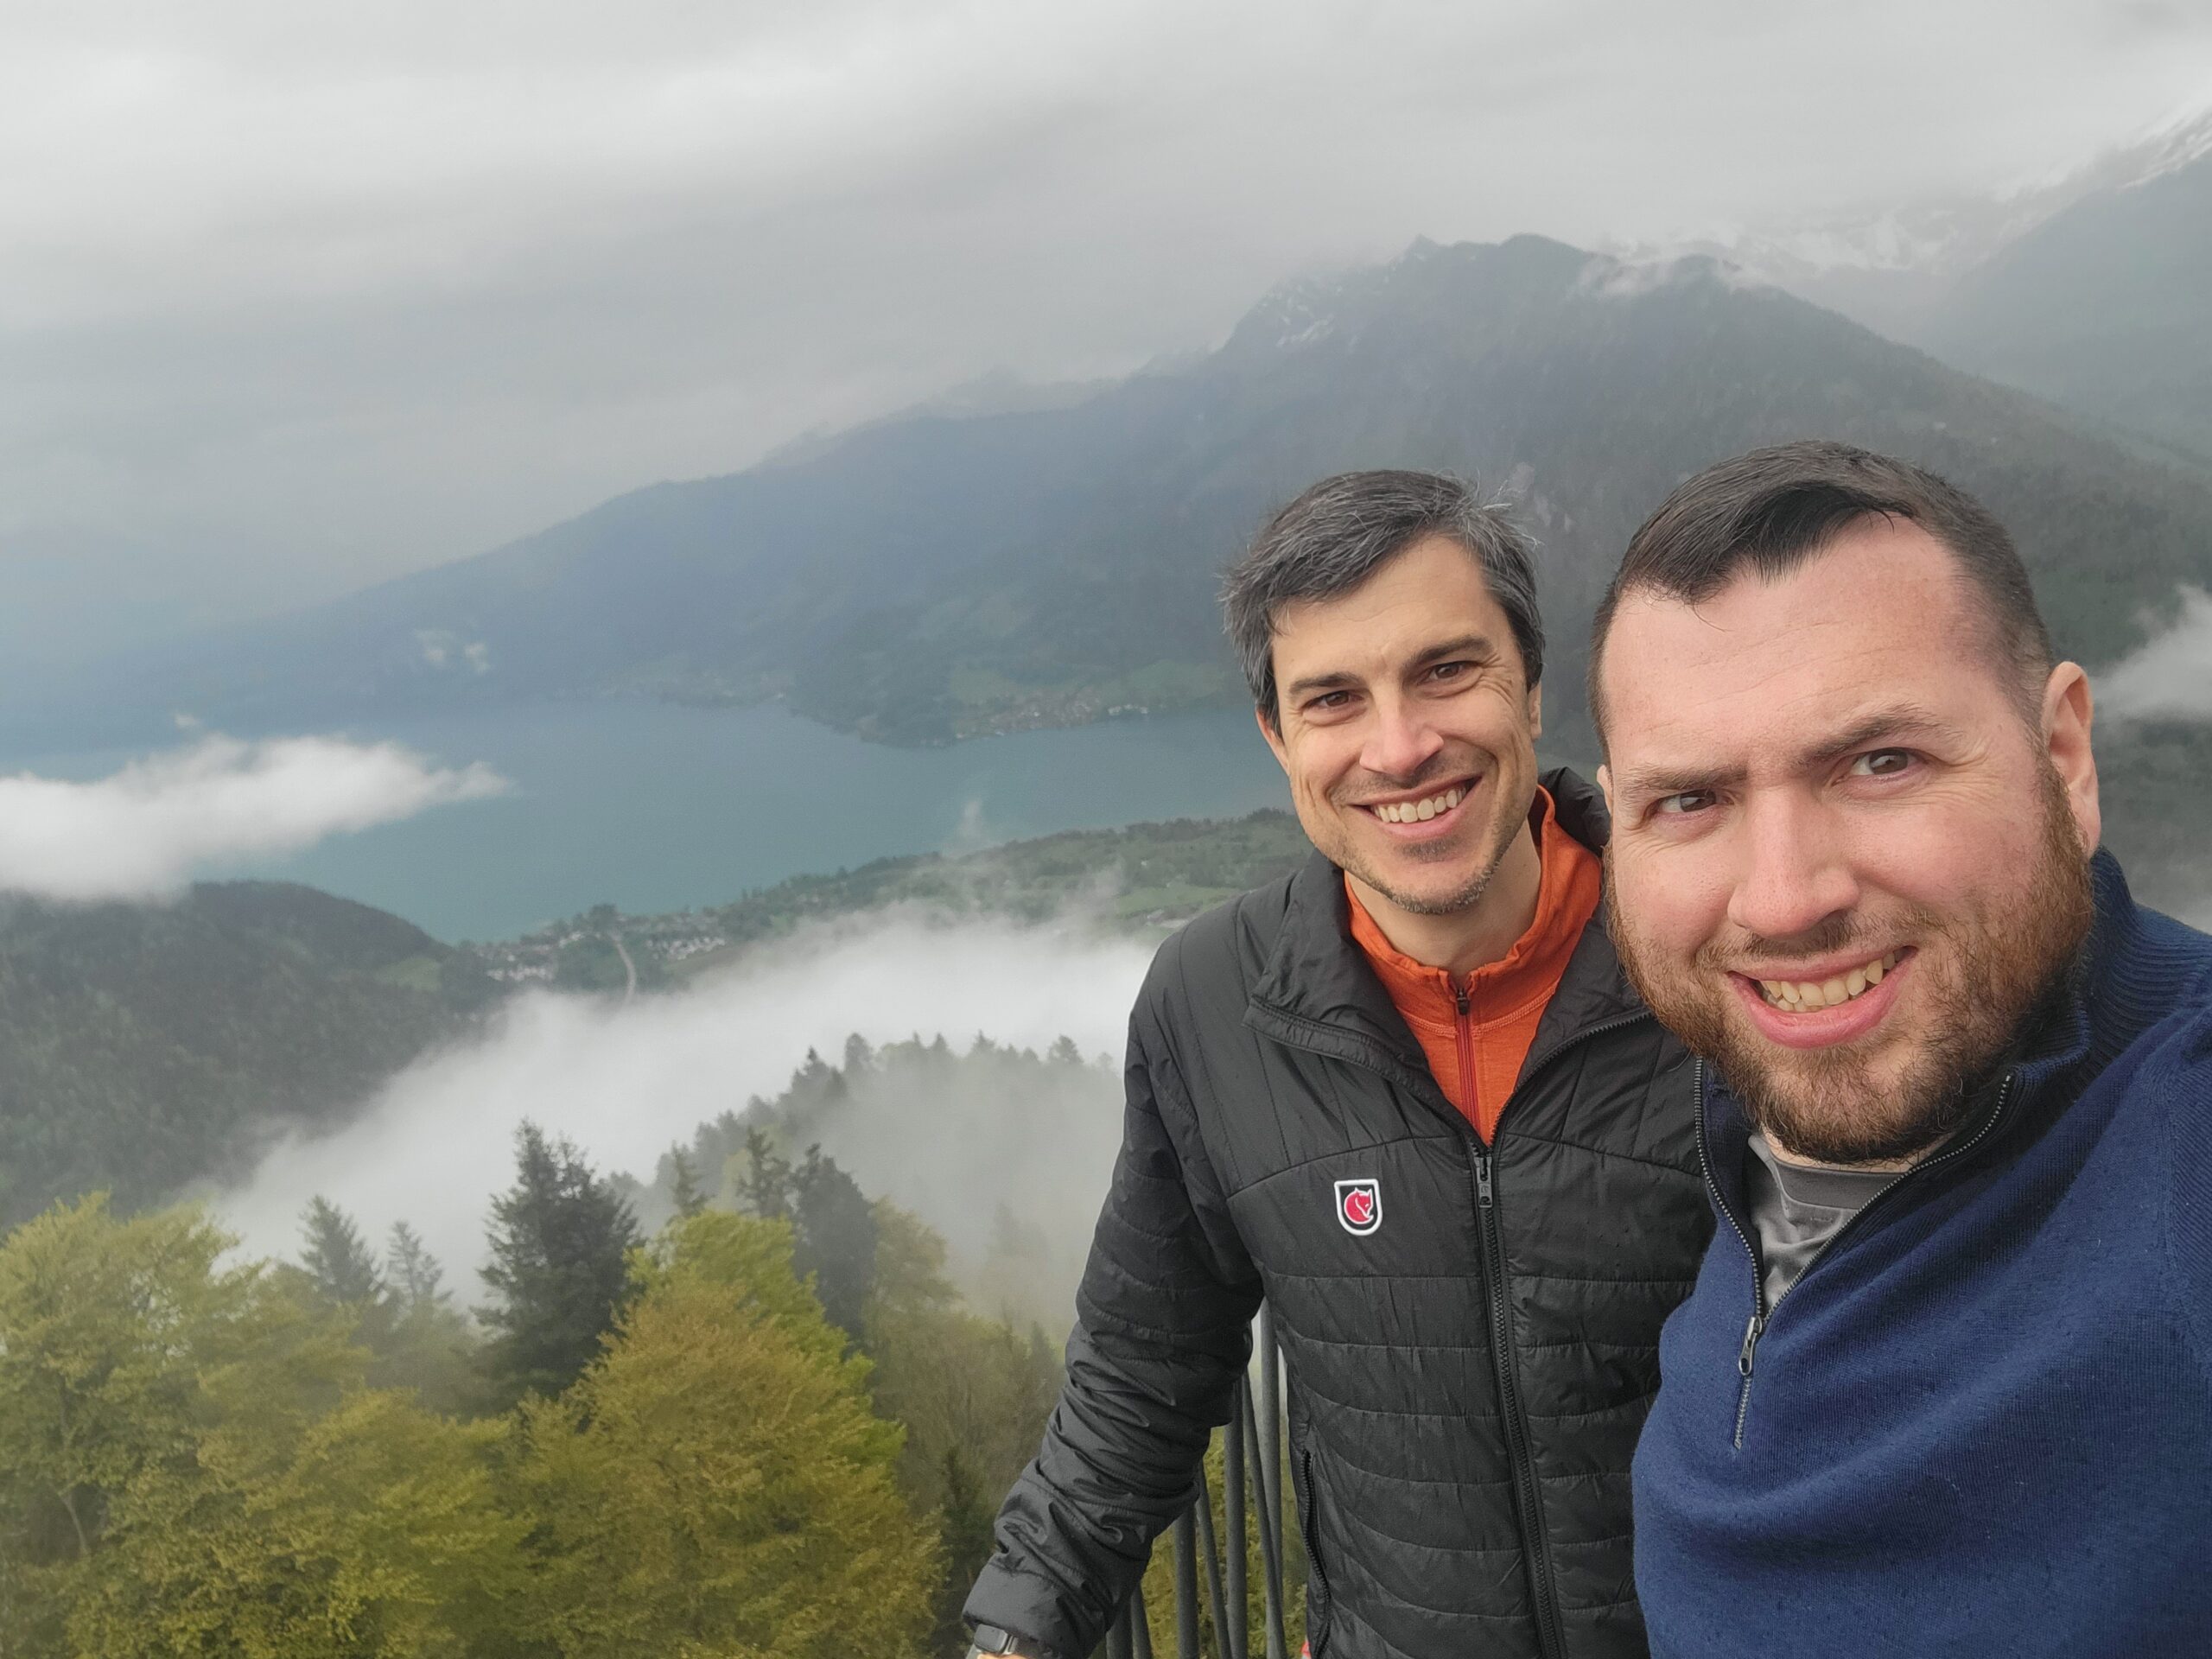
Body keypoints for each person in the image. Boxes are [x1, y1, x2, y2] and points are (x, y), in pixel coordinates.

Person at [963, 471, 1713, 1659]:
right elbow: (1142, 1373)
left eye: (1446, 670)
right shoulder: (1214, 1006)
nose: (1401, 747)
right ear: (1277, 735)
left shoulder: (1714, 947)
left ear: (1530, 680)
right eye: (1332, 700)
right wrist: (1015, 1634)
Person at [1591, 441, 2212, 1657]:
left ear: (2065, 761)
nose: (1781, 899)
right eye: (1690, 801)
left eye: (1882, 762)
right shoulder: (1744, 1122)